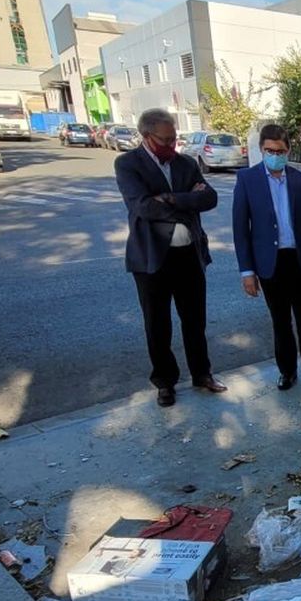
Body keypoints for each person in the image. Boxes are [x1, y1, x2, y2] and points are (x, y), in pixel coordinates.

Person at [115, 108, 227, 407]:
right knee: (157, 324)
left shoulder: (186, 163)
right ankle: (165, 383)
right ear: (146, 136)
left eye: (174, 138)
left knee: (195, 321)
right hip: (152, 259)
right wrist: (189, 200)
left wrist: (172, 198)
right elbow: (143, 208)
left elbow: (210, 198)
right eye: (165, 140)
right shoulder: (128, 164)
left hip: (189, 255)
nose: (171, 145)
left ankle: (202, 374)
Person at [232, 123, 301, 392]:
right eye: (269, 150)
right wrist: (247, 272)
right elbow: (240, 230)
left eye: (280, 150)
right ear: (261, 149)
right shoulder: (247, 180)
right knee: (281, 323)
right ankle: (287, 372)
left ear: (288, 150)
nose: (274, 155)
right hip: (270, 265)